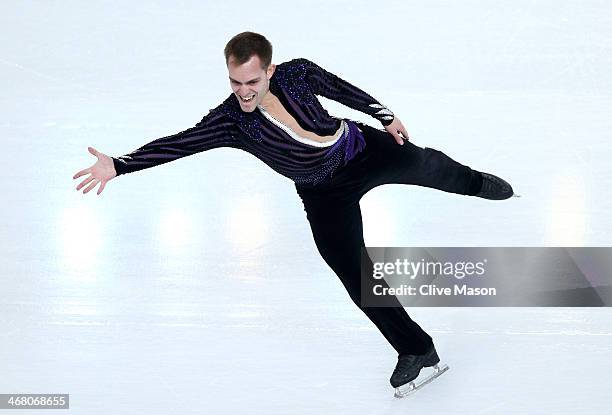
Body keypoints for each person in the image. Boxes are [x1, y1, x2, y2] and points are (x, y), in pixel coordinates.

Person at [72, 31, 515, 393]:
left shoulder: (298, 74)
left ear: (269, 70)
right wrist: (122, 164)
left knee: (430, 166)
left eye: (252, 81)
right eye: (235, 82)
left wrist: (383, 114)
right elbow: (180, 143)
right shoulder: (232, 121)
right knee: (351, 270)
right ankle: (416, 349)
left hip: (362, 149)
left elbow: (341, 89)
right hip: (322, 192)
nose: (243, 92)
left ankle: (477, 184)